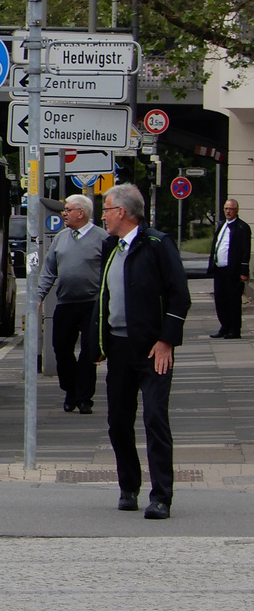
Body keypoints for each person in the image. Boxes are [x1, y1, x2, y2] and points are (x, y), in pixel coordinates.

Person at [95, 183, 190, 520]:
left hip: (152, 348)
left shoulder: (157, 245)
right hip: (119, 346)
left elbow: (179, 296)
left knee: (154, 418)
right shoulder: (111, 246)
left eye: (106, 209)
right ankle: (128, 487)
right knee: (118, 421)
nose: (103, 215)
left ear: (122, 212)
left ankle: (161, 495)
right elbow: (104, 296)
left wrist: (167, 341)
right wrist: (98, 342)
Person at [36, 195, 108, 414]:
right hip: (66, 302)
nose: (63, 214)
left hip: (92, 303)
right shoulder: (61, 238)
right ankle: (70, 389)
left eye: (68, 210)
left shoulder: (102, 238)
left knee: (88, 351)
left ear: (81, 212)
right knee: (61, 348)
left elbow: (109, 271)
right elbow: (49, 270)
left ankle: (84, 397)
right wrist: (38, 297)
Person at [207, 198, 250, 339]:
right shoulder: (221, 225)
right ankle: (224, 326)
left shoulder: (242, 228)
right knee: (220, 300)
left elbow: (245, 250)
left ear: (236, 210)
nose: (228, 211)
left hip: (233, 270)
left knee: (233, 301)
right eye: (226, 208)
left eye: (230, 209)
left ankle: (234, 329)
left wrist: (244, 271)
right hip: (220, 269)